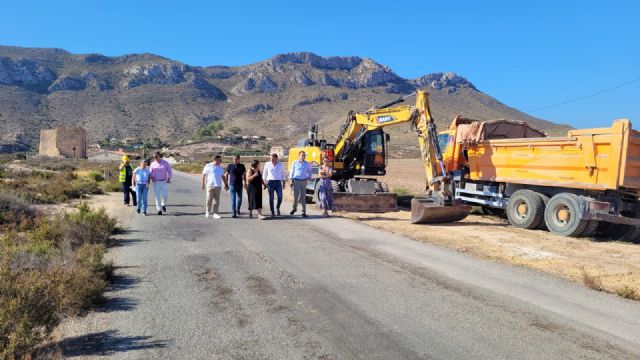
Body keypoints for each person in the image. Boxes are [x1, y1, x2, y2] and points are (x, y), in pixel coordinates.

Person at [289, 150, 312, 218]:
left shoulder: (307, 164)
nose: (303, 156)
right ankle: (294, 209)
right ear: (299, 156)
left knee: (303, 197)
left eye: (304, 155)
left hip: (303, 182)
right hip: (296, 181)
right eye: (302, 155)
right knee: (296, 197)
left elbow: (310, 171)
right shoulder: (295, 162)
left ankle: (303, 212)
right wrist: (290, 180)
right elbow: (292, 172)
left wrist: (308, 177)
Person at [262, 153, 286, 217]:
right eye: (270, 158)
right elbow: (264, 174)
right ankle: (272, 211)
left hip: (278, 182)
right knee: (271, 198)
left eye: (273, 158)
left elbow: (283, 173)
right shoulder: (267, 164)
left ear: (276, 158)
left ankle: (278, 207)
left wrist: (284, 182)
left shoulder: (280, 164)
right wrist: (264, 181)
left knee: (280, 197)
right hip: (270, 182)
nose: (271, 159)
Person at [150, 151, 172, 215]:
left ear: (159, 156)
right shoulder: (152, 164)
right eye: (154, 157)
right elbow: (150, 172)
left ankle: (163, 204)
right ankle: (159, 209)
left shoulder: (165, 163)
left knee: (165, 196)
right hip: (156, 182)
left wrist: (169, 178)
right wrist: (152, 177)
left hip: (164, 181)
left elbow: (169, 171)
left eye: (156, 156)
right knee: (157, 196)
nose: (155, 158)